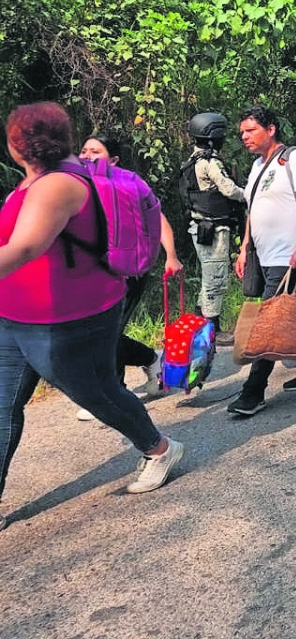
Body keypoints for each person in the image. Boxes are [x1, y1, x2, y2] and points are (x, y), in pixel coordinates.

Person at [0, 103, 185, 517]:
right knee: (2, 405)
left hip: (67, 316)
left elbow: (27, 246)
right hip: (15, 315)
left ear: (17, 145)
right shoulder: (36, 180)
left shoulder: (58, 185)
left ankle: (160, 449)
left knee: (98, 392)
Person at [228, 106, 296, 417]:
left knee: (270, 323)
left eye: (251, 130)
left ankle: (253, 392)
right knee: (294, 311)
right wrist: (245, 247)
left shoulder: (294, 158)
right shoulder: (257, 166)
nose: (244, 137)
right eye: (242, 132)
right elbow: (252, 209)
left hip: (288, 253)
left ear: (270, 129)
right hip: (263, 255)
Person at [74, 133, 183, 420]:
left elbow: (157, 218)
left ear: (114, 159)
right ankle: (151, 359)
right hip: (95, 271)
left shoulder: (127, 184)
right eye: (84, 150)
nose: (86, 156)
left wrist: (171, 255)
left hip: (129, 270)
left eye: (95, 151)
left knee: (107, 332)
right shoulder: (77, 184)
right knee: (99, 332)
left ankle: (113, 391)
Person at [178, 112, 245, 345]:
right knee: (215, 277)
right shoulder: (209, 162)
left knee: (209, 275)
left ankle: (200, 323)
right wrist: (250, 195)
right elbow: (228, 189)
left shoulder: (193, 160)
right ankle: (212, 329)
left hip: (200, 227)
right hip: (213, 229)